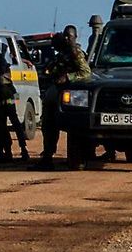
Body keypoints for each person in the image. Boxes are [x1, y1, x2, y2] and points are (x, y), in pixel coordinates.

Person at [37, 31, 91, 169]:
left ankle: (71, 158)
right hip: (55, 92)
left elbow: (85, 72)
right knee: (48, 125)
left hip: (69, 95)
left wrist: (68, 77)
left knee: (69, 127)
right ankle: (48, 157)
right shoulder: (62, 54)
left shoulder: (75, 53)